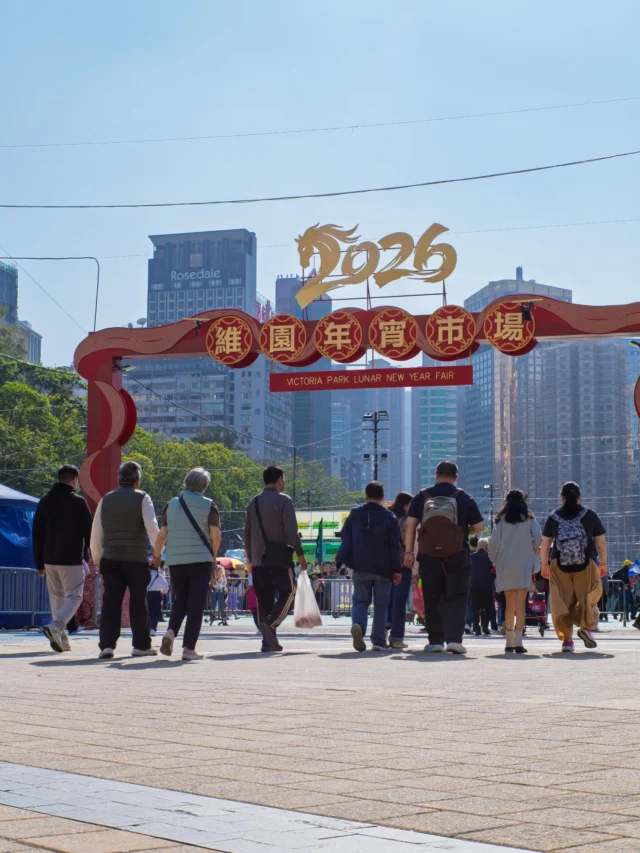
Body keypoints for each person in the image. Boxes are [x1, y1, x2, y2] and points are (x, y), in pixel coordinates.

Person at [404, 461, 484, 655]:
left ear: (436, 474)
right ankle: (455, 641)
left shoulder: (422, 497)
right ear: (456, 477)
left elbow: (411, 526)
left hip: (429, 555)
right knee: (457, 596)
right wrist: (463, 532)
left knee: (432, 596)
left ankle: (436, 641)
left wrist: (409, 553)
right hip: (458, 554)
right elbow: (480, 526)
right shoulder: (463, 497)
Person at [90, 461, 160, 659]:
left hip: (110, 559)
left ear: (119, 479)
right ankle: (141, 645)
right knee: (138, 602)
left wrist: (97, 559)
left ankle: (107, 645)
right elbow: (152, 528)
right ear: (137, 480)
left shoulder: (106, 499)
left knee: (111, 602)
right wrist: (158, 553)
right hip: (136, 560)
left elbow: (97, 533)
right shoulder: (143, 498)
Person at [153, 467, 221, 661]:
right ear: (205, 486)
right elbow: (215, 534)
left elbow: (162, 535)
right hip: (200, 561)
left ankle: (171, 632)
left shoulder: (171, 504)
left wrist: (157, 557)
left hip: (175, 560)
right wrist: (213, 555)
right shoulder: (209, 505)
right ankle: (189, 649)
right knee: (196, 605)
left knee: (180, 600)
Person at [244, 465, 307, 652]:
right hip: (279, 557)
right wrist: (301, 554)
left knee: (264, 600)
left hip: (257, 559)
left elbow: (247, 533)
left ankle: (268, 642)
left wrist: (249, 559)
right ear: (279, 479)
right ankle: (270, 625)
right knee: (288, 593)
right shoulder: (284, 501)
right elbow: (291, 531)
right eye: (284, 479)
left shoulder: (253, 502)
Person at [32, 465, 94, 653]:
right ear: (74, 480)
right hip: (71, 557)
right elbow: (89, 532)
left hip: (49, 558)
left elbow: (37, 533)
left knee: (57, 599)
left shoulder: (44, 501)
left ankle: (62, 639)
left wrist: (39, 562)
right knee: (75, 595)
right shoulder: (78, 502)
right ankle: (56, 627)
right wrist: (94, 554)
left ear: (58, 479)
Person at [540, 481, 606, 652]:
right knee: (589, 598)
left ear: (561, 498)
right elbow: (600, 541)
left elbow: (546, 544)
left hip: (560, 566)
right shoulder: (590, 515)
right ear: (579, 496)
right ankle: (586, 627)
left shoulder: (553, 517)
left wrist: (544, 565)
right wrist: (603, 562)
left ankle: (567, 640)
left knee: (562, 603)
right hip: (586, 564)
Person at [336, 481, 402, 652]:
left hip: (360, 565)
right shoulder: (390, 517)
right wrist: (397, 569)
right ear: (382, 497)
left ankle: (358, 624)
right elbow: (395, 546)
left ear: (366, 496)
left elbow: (345, 535)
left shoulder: (355, 513)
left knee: (360, 601)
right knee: (381, 605)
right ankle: (379, 641)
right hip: (384, 568)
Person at [489, 490, 542, 653]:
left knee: (508, 604)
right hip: (524, 564)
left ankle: (508, 641)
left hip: (505, 565)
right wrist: (531, 550)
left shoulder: (501, 521)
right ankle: (519, 642)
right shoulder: (529, 520)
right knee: (520, 605)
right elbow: (539, 538)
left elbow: (493, 544)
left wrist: (495, 560)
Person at [387, 491, 414, 649]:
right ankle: (396, 638)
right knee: (399, 602)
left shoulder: (388, 518)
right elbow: (406, 541)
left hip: (386, 565)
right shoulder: (406, 521)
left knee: (385, 600)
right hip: (403, 564)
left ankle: (381, 632)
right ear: (405, 506)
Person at [470, 537, 495, 637]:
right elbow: (493, 571)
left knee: (475, 607)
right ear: (486, 546)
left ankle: (476, 627)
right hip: (487, 586)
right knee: (487, 607)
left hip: (474, 585)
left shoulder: (471, 557)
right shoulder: (490, 557)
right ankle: (485, 626)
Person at [147, 563, 169, 636]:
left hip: (147, 594)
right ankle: (153, 629)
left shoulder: (147, 575)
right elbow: (166, 587)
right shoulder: (159, 576)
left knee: (148, 612)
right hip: (156, 594)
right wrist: (164, 591)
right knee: (155, 612)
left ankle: (147, 628)